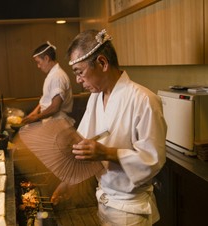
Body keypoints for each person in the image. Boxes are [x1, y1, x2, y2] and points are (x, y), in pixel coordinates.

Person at [51, 29, 167, 226]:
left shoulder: (144, 100)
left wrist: (106, 152)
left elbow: (153, 160)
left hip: (131, 212)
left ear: (102, 63)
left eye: (80, 72)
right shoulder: (96, 98)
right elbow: (85, 144)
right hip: (104, 202)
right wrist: (69, 181)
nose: (78, 80)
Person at [20, 41, 74, 125]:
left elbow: (55, 107)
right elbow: (47, 98)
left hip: (57, 123)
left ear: (46, 58)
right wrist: (35, 111)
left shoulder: (57, 76)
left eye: (38, 62)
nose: (38, 66)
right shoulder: (53, 74)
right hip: (51, 122)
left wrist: (36, 117)